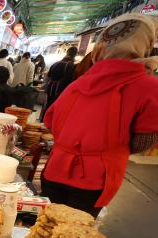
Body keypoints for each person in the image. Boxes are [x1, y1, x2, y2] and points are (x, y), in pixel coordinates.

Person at [41, 14, 158, 217]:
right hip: (95, 179)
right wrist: (111, 147)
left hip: (54, 170)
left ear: (102, 44)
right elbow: (145, 140)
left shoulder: (80, 82)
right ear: (146, 43)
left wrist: (72, 142)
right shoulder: (150, 87)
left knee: (45, 230)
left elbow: (51, 121)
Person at [42, 46, 78, 119]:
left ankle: (43, 120)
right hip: (59, 90)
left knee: (47, 105)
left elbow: (48, 76)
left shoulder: (56, 63)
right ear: (75, 55)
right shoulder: (71, 65)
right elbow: (69, 80)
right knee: (55, 109)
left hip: (50, 88)